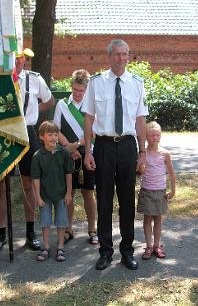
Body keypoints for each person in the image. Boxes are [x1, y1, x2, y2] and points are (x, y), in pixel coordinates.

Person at [82, 39, 148, 271]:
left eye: (125, 54)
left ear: (128, 56)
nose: (121, 58)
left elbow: (140, 120)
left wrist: (142, 152)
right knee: (104, 201)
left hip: (128, 146)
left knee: (127, 201)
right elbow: (89, 118)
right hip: (104, 146)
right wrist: (88, 151)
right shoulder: (96, 82)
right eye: (117, 54)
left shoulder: (137, 83)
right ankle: (105, 251)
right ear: (109, 56)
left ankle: (127, 251)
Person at [0, 48, 55, 252]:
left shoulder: (35, 79)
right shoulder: (1, 79)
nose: (19, 62)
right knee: (3, 184)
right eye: (15, 58)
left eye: (22, 59)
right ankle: (1, 232)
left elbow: (49, 101)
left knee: (29, 183)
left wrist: (34, 111)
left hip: (28, 132)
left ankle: (30, 232)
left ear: (25, 60)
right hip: (6, 133)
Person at [53, 69, 98, 245]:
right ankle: (68, 229)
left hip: (88, 154)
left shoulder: (92, 105)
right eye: (75, 90)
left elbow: (95, 130)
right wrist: (67, 146)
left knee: (88, 192)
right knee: (68, 194)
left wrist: (78, 145)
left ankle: (92, 229)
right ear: (71, 87)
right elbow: (56, 129)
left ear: (86, 89)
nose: (78, 94)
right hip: (67, 155)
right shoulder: (62, 104)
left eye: (81, 91)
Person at [31, 121, 73, 262]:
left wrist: (68, 193)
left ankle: (60, 247)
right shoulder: (37, 156)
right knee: (45, 221)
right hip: (44, 195)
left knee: (61, 221)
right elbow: (36, 178)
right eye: (50, 135)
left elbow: (68, 174)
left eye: (56, 134)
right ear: (42, 137)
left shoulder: (64, 153)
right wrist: (37, 196)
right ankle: (46, 247)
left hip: (61, 194)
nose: (54, 138)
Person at [138, 121, 175, 260]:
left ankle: (157, 245)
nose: (155, 138)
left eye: (157, 135)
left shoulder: (165, 154)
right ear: (146, 137)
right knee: (147, 218)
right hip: (147, 190)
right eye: (152, 135)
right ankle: (148, 245)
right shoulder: (143, 154)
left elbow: (171, 173)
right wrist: (140, 169)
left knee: (158, 219)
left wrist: (173, 190)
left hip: (160, 191)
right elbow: (139, 172)